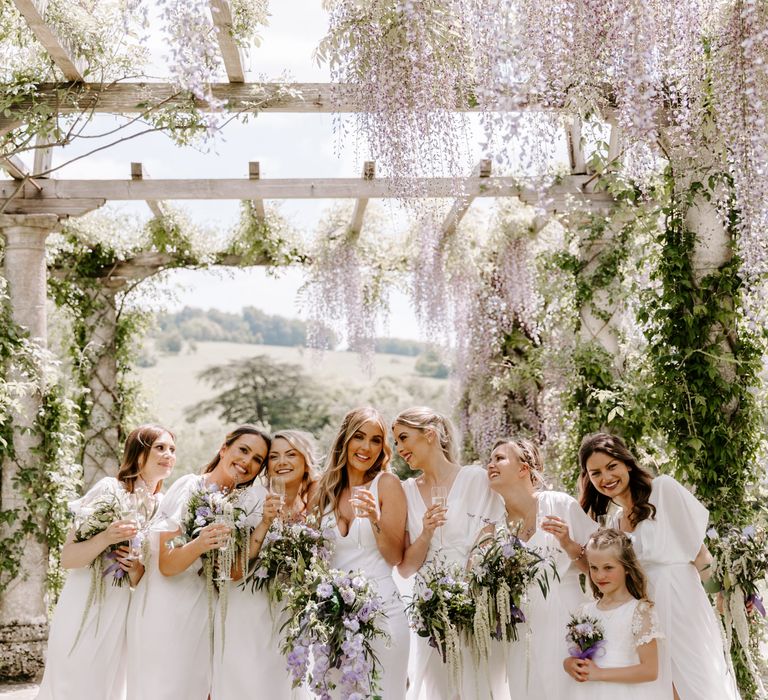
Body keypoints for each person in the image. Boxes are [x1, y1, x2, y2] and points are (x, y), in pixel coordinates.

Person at [579, 432, 740, 700]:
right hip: (644, 614)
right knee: (663, 690)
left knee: (696, 680)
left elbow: (699, 554)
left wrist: (725, 592)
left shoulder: (663, 491)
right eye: (595, 473)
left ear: (627, 463)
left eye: (611, 467)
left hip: (679, 603)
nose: (605, 478)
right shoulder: (614, 523)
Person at [127, 425, 270, 700]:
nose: (247, 462)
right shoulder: (190, 486)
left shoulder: (245, 506)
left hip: (205, 612)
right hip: (164, 607)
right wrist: (201, 544)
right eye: (243, 450)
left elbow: (234, 572)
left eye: (257, 460)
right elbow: (166, 563)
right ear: (224, 448)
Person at [38, 424, 176, 700]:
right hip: (86, 603)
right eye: (160, 447)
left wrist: (136, 568)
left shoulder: (162, 505)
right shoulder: (109, 489)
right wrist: (105, 538)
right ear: (139, 454)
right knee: (73, 680)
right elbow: (68, 558)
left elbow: (143, 577)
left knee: (106, 687)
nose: (169, 454)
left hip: (122, 611)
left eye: (172, 449)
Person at [394, 407, 506, 700]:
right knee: (439, 690)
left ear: (429, 435)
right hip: (429, 610)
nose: (399, 448)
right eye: (396, 442)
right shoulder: (405, 491)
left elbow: (489, 539)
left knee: (478, 687)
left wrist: (465, 596)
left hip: (475, 604)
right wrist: (426, 532)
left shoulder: (475, 479)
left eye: (404, 437)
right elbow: (405, 568)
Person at [486, 437, 597, 699]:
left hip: (565, 620)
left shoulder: (558, 504)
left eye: (499, 458)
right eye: (489, 460)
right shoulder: (495, 525)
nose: (490, 464)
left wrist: (569, 543)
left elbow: (600, 566)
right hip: (520, 631)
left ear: (524, 468)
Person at [211, 429, 318, 699]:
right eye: (274, 456)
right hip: (246, 612)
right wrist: (265, 522)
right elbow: (230, 570)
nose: (282, 462)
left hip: (288, 619)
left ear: (305, 461)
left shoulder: (316, 507)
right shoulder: (250, 499)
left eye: (291, 455)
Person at [312, 407, 410, 699]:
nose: (367, 447)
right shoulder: (323, 489)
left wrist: (375, 519)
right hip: (334, 616)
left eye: (376, 440)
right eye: (359, 437)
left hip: (382, 612)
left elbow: (395, 557)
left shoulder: (387, 485)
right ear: (345, 439)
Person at [563, 528, 666, 698]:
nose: (600, 575)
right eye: (593, 568)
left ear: (626, 567)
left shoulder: (639, 611)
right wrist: (569, 664)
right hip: (587, 693)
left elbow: (650, 670)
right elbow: (575, 654)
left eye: (608, 567)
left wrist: (599, 674)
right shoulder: (585, 610)